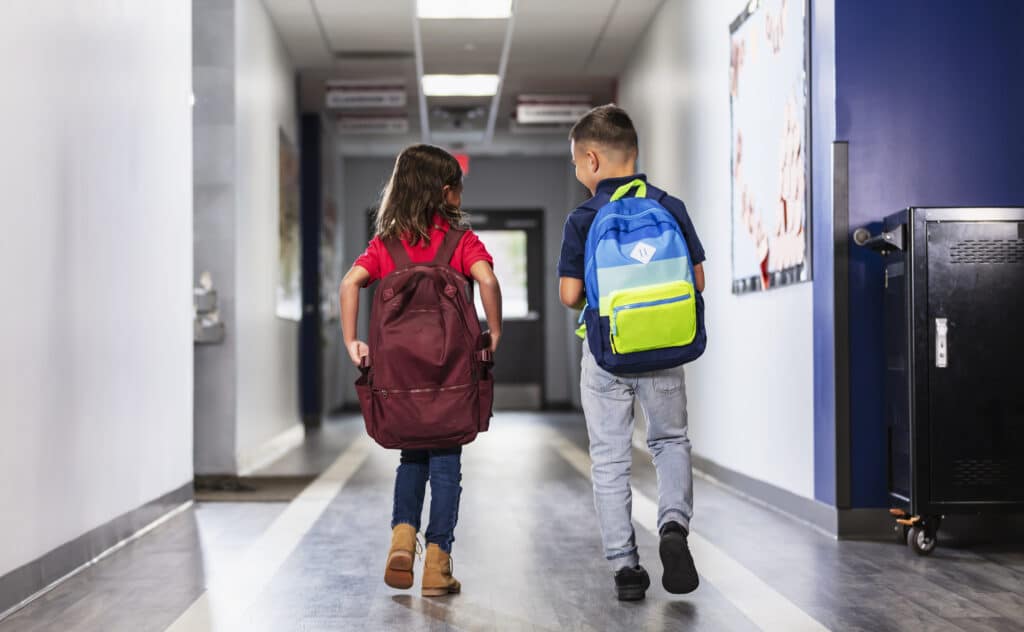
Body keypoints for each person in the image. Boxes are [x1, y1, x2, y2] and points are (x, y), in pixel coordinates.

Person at [339, 144, 502, 597]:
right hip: (451, 374)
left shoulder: (386, 245)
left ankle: (401, 536)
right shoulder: (460, 241)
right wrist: (495, 331)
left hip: (400, 379)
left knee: (412, 456)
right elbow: (486, 279)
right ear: (447, 193)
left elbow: (350, 281)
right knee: (447, 462)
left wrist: (353, 340)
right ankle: (437, 562)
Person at [558, 105, 705, 601]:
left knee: (610, 458)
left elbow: (570, 295)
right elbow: (697, 280)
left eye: (577, 164)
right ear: (635, 154)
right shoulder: (670, 205)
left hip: (606, 356)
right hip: (664, 349)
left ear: (593, 160)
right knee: (669, 441)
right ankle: (672, 528)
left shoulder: (584, 217)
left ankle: (625, 567)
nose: (578, 173)